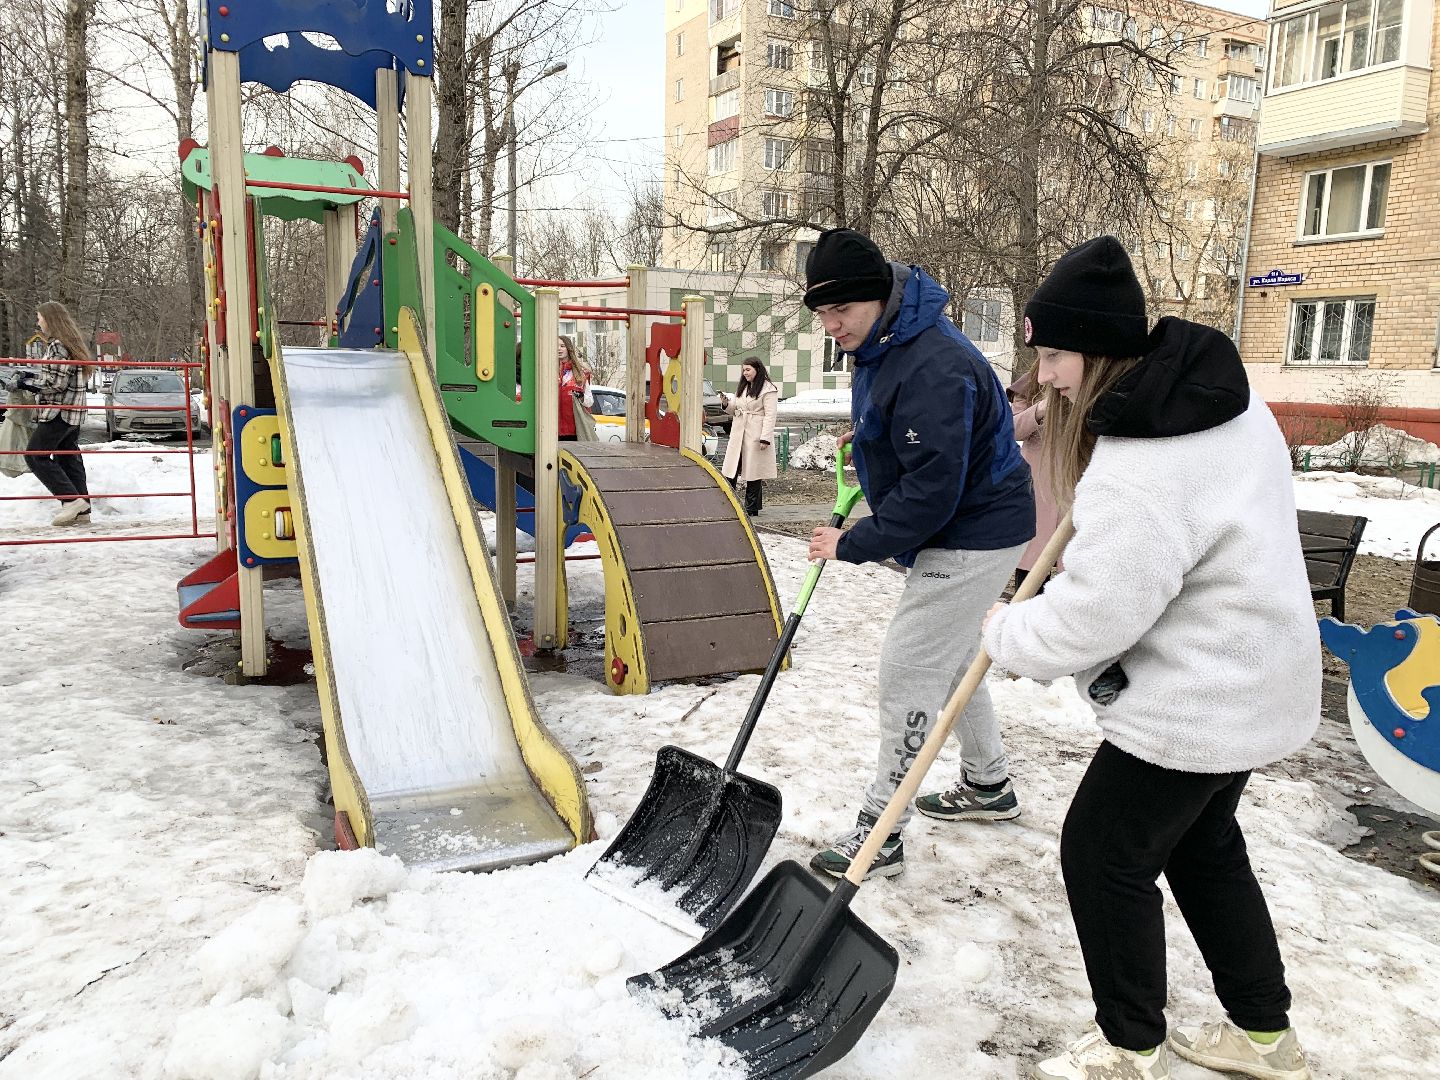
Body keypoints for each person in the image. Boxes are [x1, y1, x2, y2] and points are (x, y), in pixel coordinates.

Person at [981, 236, 1317, 1080]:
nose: (1043, 377)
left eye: (1053, 355)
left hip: (1201, 698)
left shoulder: (1140, 470)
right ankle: (1266, 1037)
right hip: (1256, 672)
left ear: (1095, 350)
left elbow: (1093, 618)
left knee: (1102, 854)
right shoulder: (1223, 401)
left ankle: (1130, 1049)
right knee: (1204, 848)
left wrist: (1004, 637)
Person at [803, 227, 1035, 881]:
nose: (830, 325)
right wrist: (870, 435)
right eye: (822, 313)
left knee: (910, 669)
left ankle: (881, 833)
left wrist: (854, 544)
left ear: (875, 297)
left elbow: (933, 492)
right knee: (955, 658)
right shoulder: (885, 339)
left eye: (839, 310)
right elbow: (913, 431)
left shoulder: (933, 362)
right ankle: (989, 783)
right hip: (967, 520)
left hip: (973, 531)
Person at [7, 301, 93, 526]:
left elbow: (55, 383)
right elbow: (58, 375)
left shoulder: (57, 345)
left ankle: (71, 501)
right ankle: (82, 509)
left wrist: (25, 383)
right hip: (72, 412)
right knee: (68, 458)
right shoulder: (70, 343)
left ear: (50, 319)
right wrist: (29, 374)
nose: (38, 322)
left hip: (58, 412)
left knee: (35, 456)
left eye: (40, 317)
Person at [1009, 367, 1062, 594]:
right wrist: (1040, 409)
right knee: (1030, 578)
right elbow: (1011, 429)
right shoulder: (1031, 383)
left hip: (1074, 491)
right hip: (1037, 492)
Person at [718, 357, 778, 516]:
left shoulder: (768, 389)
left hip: (755, 433)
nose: (745, 373)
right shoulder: (744, 387)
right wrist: (726, 403)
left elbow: (771, 415)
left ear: (757, 369)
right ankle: (729, 503)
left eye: (748, 370)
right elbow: (737, 408)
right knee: (732, 468)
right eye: (743, 370)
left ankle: (752, 508)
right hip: (739, 432)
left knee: (753, 471)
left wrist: (765, 438)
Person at [556, 335, 592, 442]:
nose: (559, 349)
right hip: (551, 428)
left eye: (562, 346)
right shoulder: (546, 370)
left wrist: (580, 396)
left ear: (569, 348)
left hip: (574, 428)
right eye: (556, 346)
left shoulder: (581, 372)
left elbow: (589, 401)